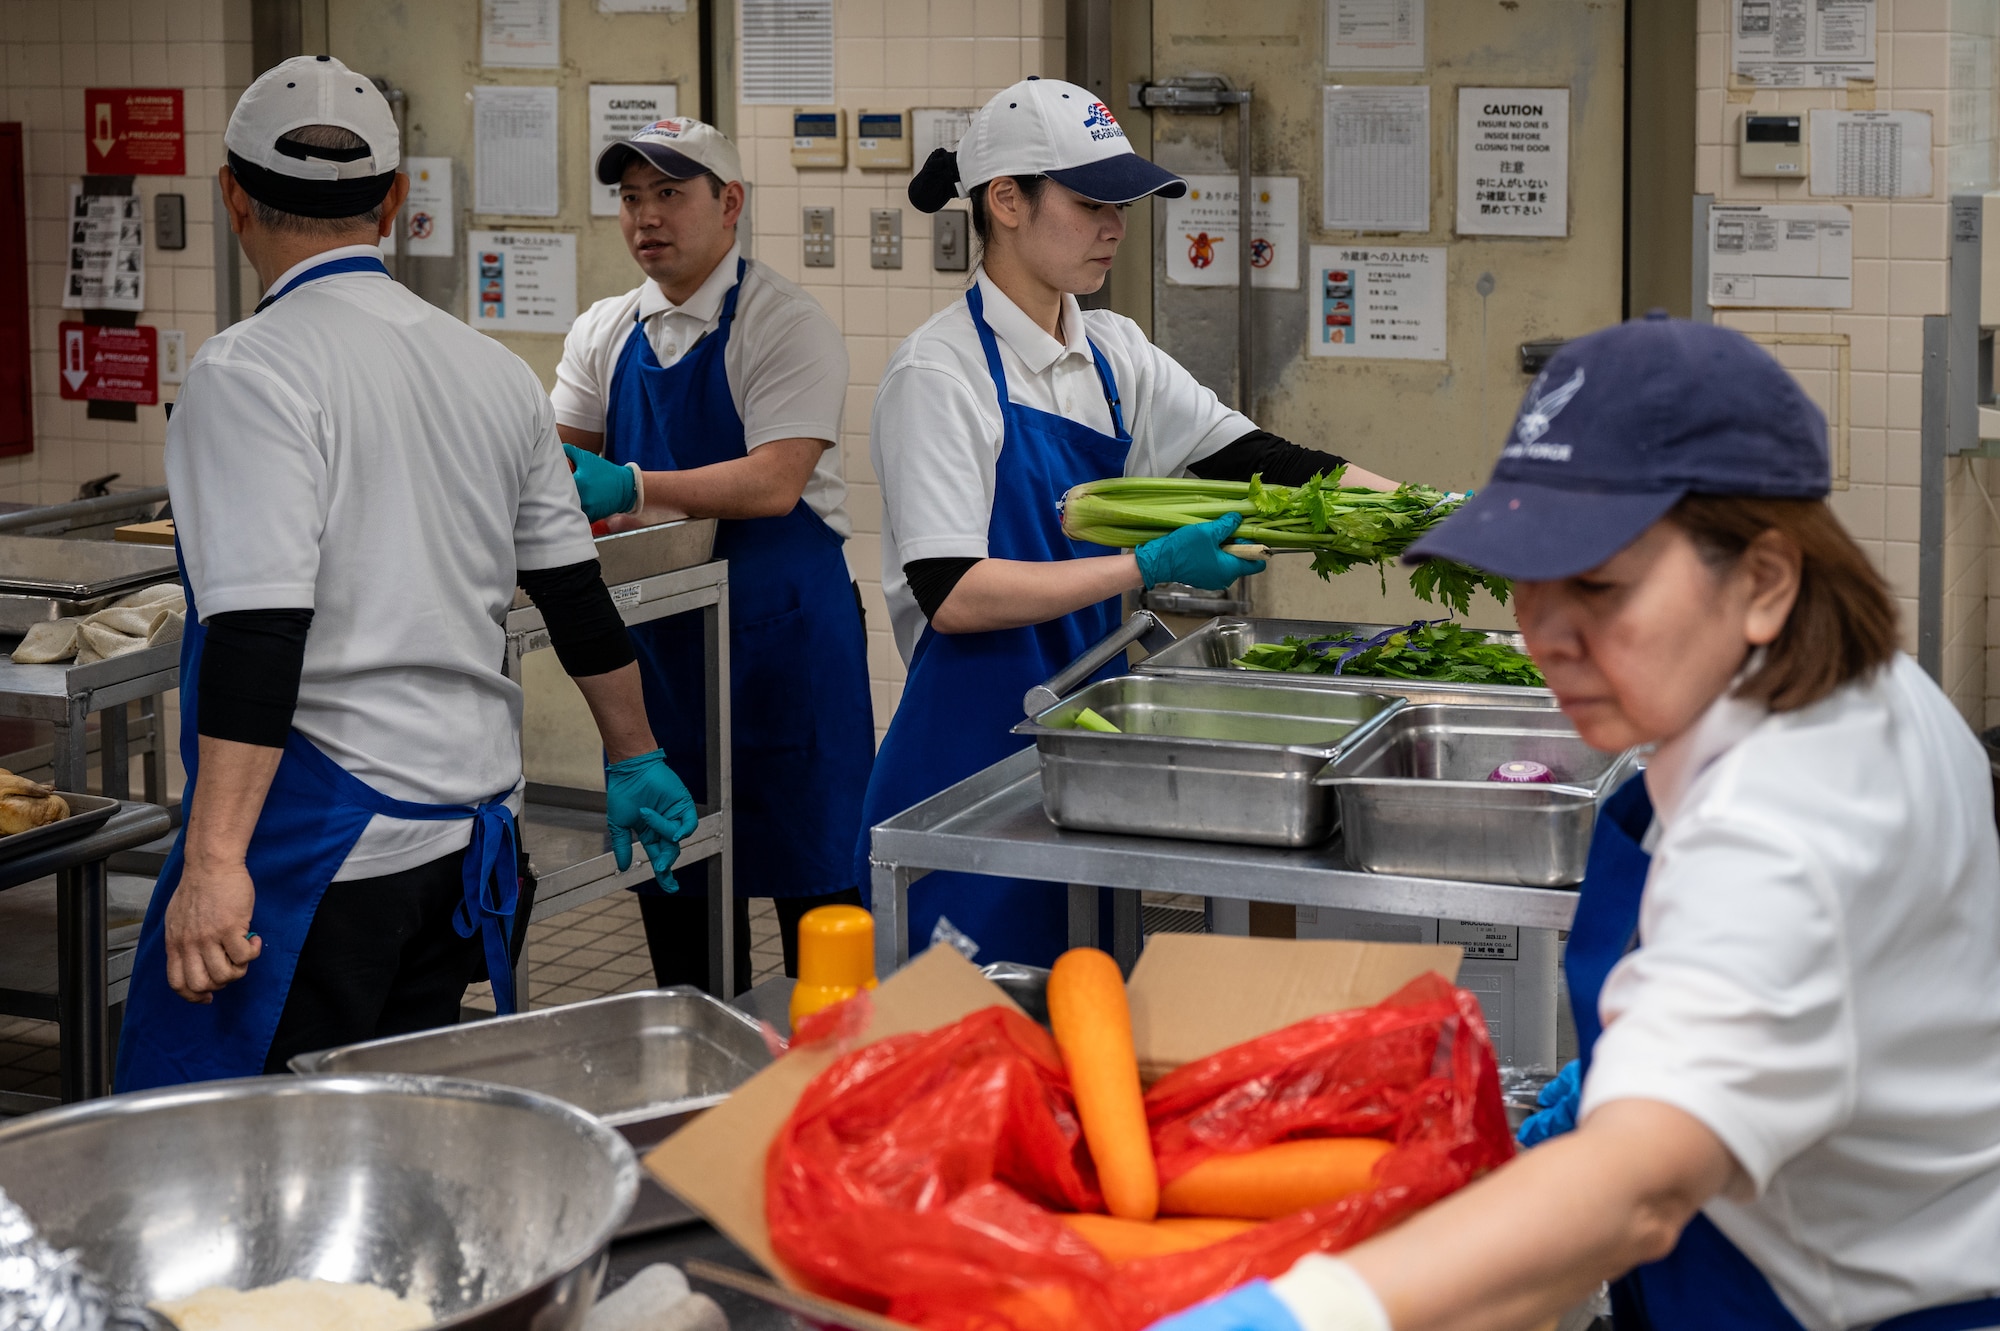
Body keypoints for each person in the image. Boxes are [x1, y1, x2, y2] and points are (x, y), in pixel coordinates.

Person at [1149, 316, 2000, 1331]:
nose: (1542, 633)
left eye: (1596, 584)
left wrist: (1321, 1308)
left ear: (1764, 580)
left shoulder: (1788, 816)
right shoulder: (1853, 681)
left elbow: (1635, 1190)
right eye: (1522, 578)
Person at [114, 57, 697, 1091]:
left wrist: (210, 864)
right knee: (402, 1145)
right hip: (467, 843)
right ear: (393, 201)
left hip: (319, 859)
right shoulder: (490, 372)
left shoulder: (247, 371)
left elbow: (258, 631)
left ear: (231, 194)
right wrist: (633, 753)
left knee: (254, 1154)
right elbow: (573, 593)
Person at [857, 78, 1399, 967]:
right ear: (1006, 201)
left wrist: (1428, 511)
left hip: (1078, 743)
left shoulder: (1114, 353)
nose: (1115, 224)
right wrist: (1144, 565)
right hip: (964, 758)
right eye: (1090, 201)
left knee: (1083, 1014)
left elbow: (1256, 457)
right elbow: (953, 592)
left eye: (1122, 203)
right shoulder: (939, 375)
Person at [556, 118, 873, 993]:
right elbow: (558, 459)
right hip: (663, 651)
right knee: (678, 880)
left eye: (670, 194)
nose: (646, 217)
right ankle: (702, 1077)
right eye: (630, 198)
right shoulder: (604, 331)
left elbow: (776, 480)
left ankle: (837, 1096)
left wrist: (629, 488)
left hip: (789, 646)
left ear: (728, 204)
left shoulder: (783, 324)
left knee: (820, 888)